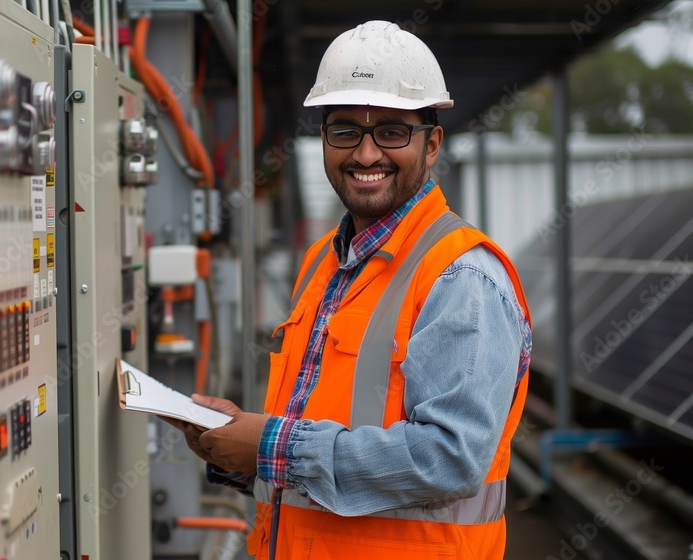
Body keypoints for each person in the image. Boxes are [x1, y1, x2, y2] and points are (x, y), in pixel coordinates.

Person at [161, 20, 532, 559]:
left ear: (432, 145)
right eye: (345, 131)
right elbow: (320, 457)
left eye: (391, 131)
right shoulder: (324, 263)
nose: (364, 154)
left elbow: (450, 460)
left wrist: (269, 443)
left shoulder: (461, 276)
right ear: (323, 141)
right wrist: (239, 445)